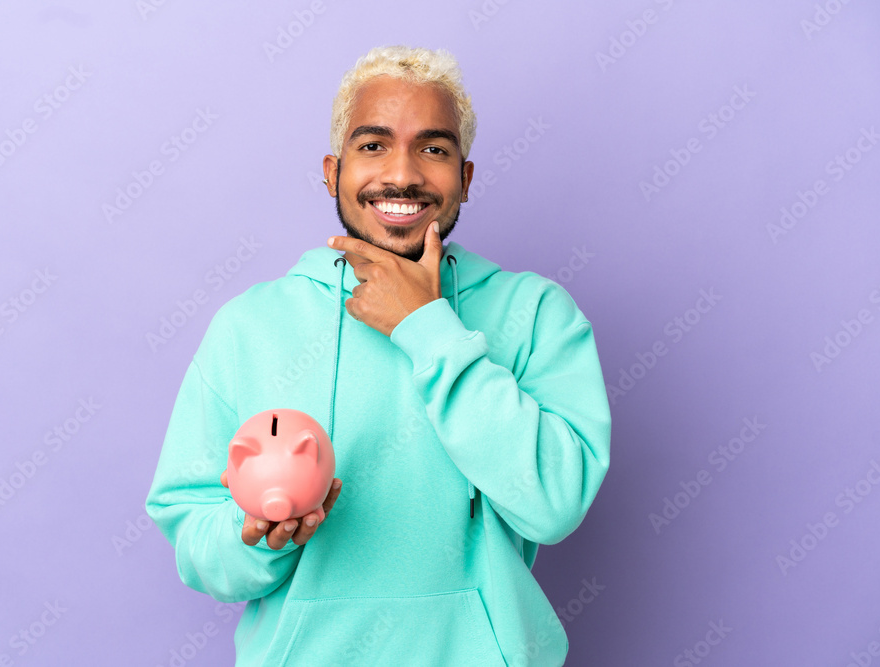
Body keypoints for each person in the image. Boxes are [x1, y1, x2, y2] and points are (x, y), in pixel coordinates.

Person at [146, 45, 611, 666]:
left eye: (434, 149)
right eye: (373, 145)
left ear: (465, 179)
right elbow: (196, 540)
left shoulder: (536, 315)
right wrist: (257, 538)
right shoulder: (249, 327)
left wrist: (425, 325)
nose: (403, 174)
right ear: (331, 172)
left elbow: (554, 502)